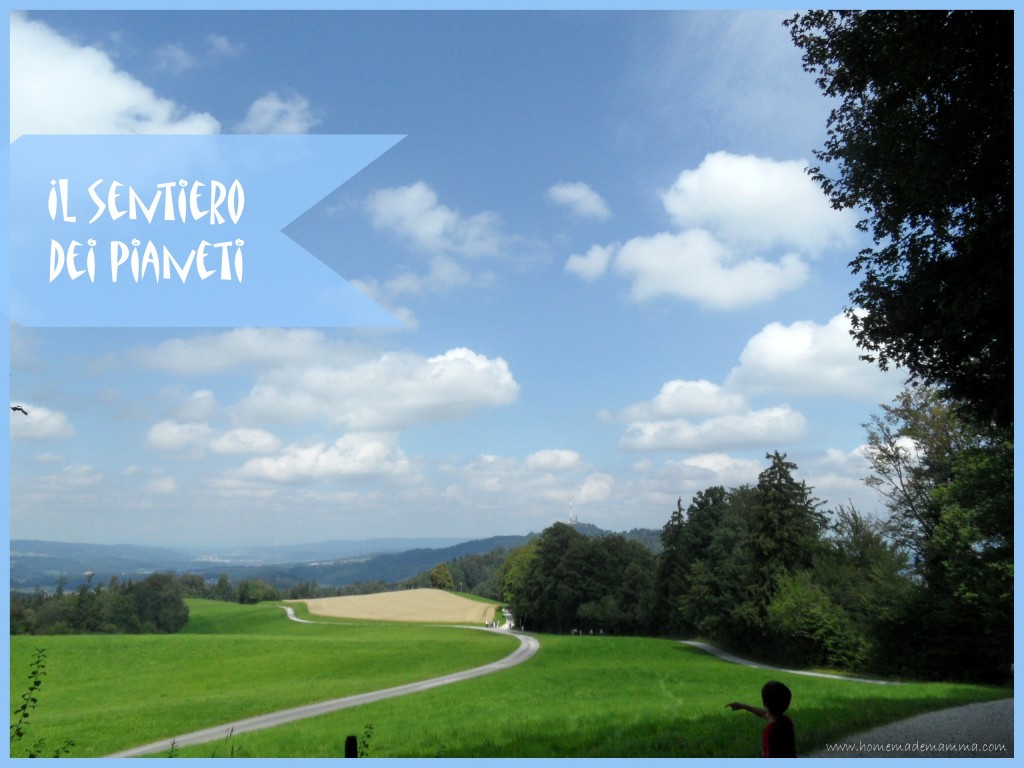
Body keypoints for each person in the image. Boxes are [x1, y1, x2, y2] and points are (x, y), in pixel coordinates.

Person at [727, 681, 796, 758]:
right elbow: (765, 714)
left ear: (764, 703)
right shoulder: (786, 721)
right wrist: (743, 706)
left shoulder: (770, 730)